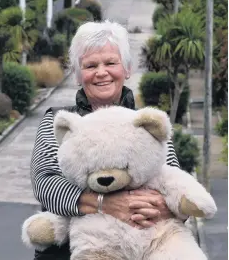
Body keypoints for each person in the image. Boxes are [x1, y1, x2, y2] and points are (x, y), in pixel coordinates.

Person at [31, 21, 180, 260]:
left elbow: (173, 177)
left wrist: (166, 206)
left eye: (111, 63)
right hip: (68, 251)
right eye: (90, 65)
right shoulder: (58, 121)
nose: (101, 72)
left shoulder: (146, 123)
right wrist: (104, 204)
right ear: (79, 76)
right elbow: (46, 184)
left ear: (127, 69)